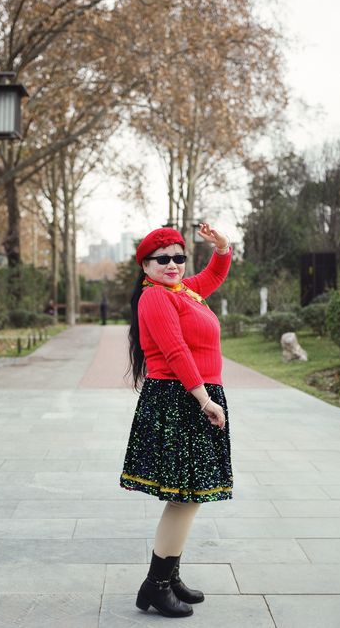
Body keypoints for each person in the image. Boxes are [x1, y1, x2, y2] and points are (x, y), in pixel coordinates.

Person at [120, 223, 232, 618]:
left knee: (187, 497)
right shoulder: (155, 299)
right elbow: (175, 352)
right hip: (180, 400)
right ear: (146, 266)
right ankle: (156, 585)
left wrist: (222, 247)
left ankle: (170, 576)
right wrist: (204, 401)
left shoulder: (183, 292)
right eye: (162, 258)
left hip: (193, 397)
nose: (173, 264)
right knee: (185, 498)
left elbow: (215, 273)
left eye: (179, 257)